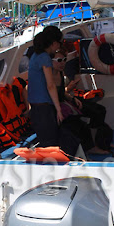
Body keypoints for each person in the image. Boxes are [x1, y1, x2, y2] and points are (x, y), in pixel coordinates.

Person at [27, 25, 79, 155]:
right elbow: (50, 85)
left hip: (36, 107)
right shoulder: (45, 58)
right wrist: (58, 109)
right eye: (59, 44)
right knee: (51, 144)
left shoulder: (35, 55)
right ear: (54, 43)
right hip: (44, 107)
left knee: (47, 142)